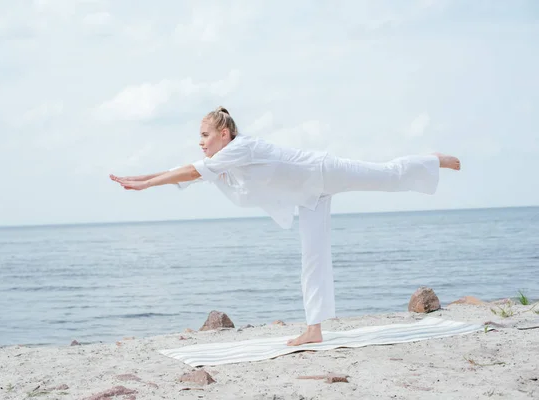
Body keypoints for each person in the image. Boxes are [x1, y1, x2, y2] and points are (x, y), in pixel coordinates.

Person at [110, 106, 461, 346]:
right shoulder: (220, 164)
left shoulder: (240, 148)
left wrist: (144, 185)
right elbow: (182, 169)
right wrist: (139, 179)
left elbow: (188, 171)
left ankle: (431, 160)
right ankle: (314, 329)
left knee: (385, 176)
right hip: (309, 196)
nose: (201, 142)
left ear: (224, 132)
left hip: (322, 171)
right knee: (313, 258)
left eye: (205, 134)